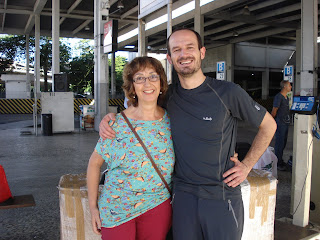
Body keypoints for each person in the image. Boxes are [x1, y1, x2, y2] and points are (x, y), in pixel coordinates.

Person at [99, 28, 277, 240]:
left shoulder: (227, 92)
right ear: (170, 58)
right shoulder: (168, 96)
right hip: (182, 198)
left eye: (190, 48)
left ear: (202, 52)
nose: (184, 54)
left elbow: (269, 125)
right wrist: (111, 119)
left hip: (221, 197)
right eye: (177, 50)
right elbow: (138, 107)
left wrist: (247, 166)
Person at [87, 56, 175, 240]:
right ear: (132, 87)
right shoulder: (116, 123)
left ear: (161, 83)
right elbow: (94, 164)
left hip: (157, 206)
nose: (147, 83)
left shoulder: (173, 122)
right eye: (139, 78)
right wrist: (93, 207)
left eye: (153, 76)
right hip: (116, 209)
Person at [271, 80, 292, 171]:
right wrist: (271, 121)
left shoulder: (286, 97)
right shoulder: (278, 97)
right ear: (285, 87)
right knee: (279, 143)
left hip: (286, 123)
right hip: (280, 123)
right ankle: (277, 163)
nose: (290, 87)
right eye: (289, 85)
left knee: (283, 143)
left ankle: (280, 160)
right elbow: (274, 110)